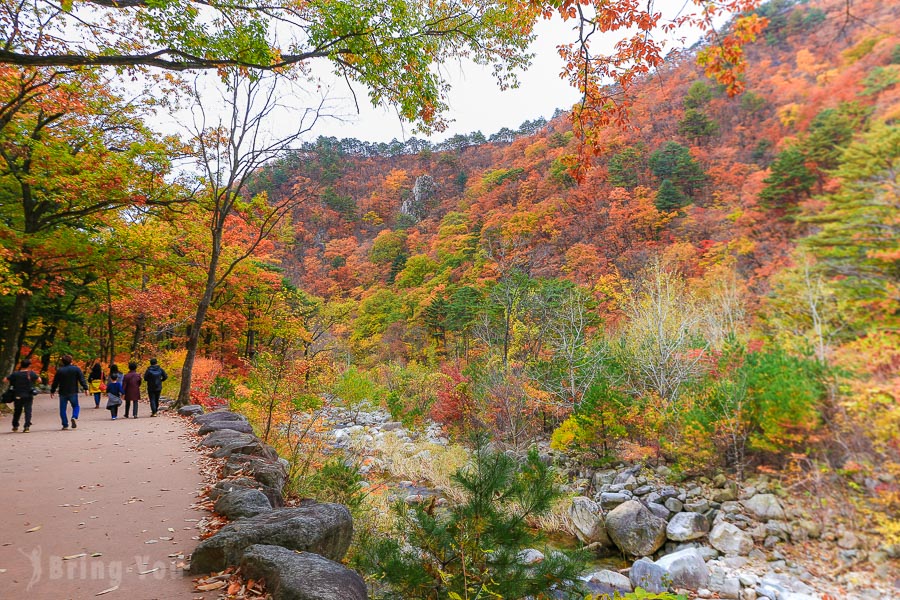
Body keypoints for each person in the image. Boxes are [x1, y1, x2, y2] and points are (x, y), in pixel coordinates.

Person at [50, 354, 88, 430]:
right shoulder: (76, 369)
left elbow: (55, 382)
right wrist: (85, 388)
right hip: (73, 391)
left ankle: (65, 424)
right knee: (76, 406)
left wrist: (52, 390)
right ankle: (74, 416)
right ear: (71, 361)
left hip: (63, 392)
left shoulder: (60, 370)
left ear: (62, 362)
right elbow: (81, 379)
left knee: (62, 409)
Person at [4, 359, 41, 432]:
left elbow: (5, 380)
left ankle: (15, 426)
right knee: (28, 410)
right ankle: (26, 426)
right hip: (28, 395)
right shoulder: (31, 373)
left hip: (18, 395)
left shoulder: (15, 374)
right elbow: (39, 380)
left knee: (17, 411)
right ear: (29, 365)